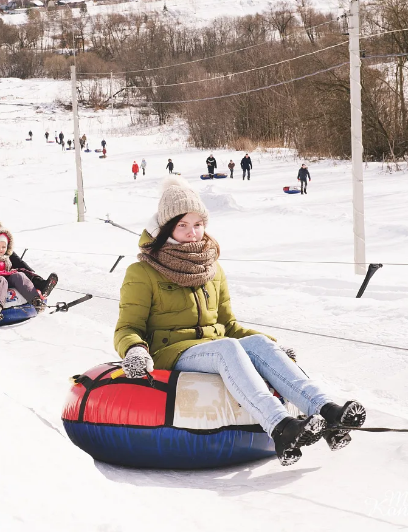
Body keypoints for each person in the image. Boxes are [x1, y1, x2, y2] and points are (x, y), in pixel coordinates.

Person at [114, 176, 366, 465]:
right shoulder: (142, 271)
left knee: (257, 343)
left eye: (198, 224)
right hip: (172, 353)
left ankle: (327, 412)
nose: (192, 233)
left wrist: (272, 348)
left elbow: (229, 325)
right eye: (182, 225)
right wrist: (134, 349)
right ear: (166, 227)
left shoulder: (212, 268)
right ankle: (280, 427)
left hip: (214, 348)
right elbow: (127, 327)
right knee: (228, 348)